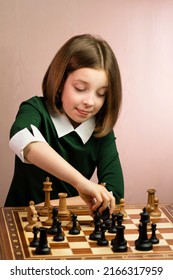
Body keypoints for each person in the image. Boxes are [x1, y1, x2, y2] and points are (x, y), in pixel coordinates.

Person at [5, 34, 124, 215]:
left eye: (101, 93)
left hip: (64, 224)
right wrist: (81, 183)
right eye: (80, 88)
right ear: (60, 82)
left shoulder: (101, 131)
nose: (90, 101)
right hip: (18, 222)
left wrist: (46, 208)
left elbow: (112, 194)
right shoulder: (35, 109)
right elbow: (21, 139)